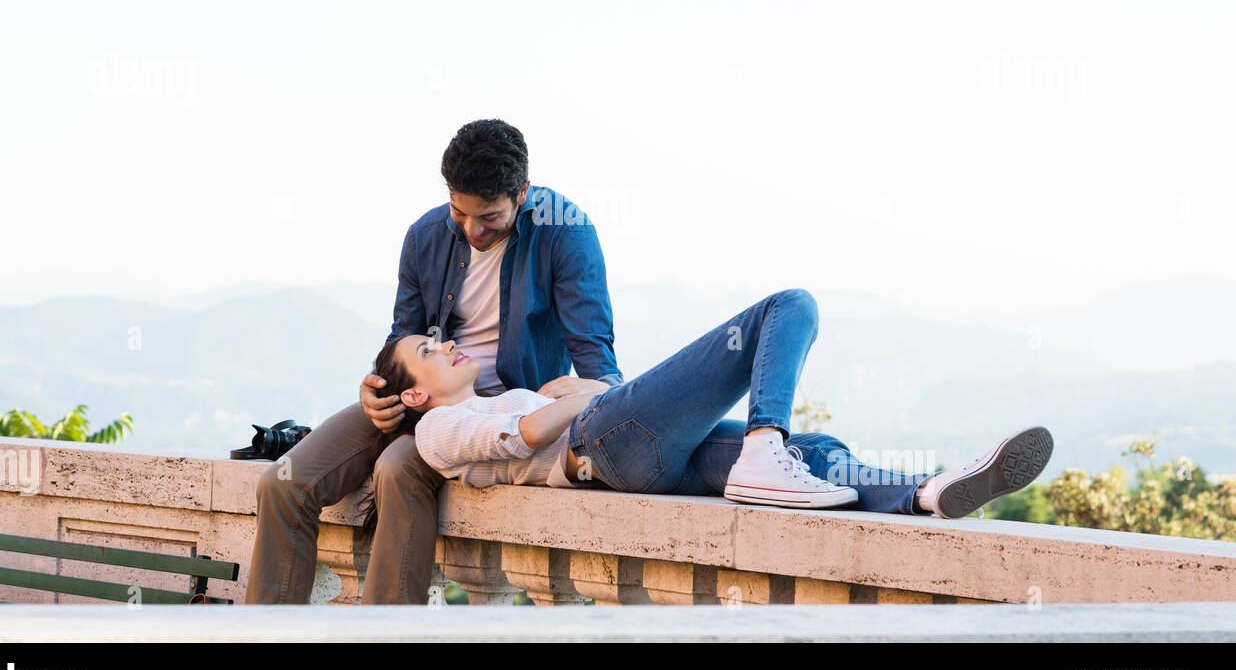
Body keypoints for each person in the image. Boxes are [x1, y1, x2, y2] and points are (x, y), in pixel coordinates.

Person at [246, 119, 624, 604]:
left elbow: (596, 359)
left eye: (488, 217)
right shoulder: (425, 235)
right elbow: (400, 338)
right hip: (420, 392)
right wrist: (376, 387)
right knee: (282, 484)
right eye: (459, 212)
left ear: (523, 193)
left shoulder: (565, 234)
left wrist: (603, 415)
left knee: (397, 468)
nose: (472, 230)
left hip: (490, 412)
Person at [375, 288, 1055, 518]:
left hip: (641, 462)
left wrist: (571, 397)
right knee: (788, 306)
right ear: (413, 390)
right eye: (429, 351)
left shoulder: (485, 397)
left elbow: (525, 430)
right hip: (601, 439)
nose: (447, 344)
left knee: (815, 453)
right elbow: (521, 435)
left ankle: (929, 491)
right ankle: (765, 444)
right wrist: (586, 393)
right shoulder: (436, 426)